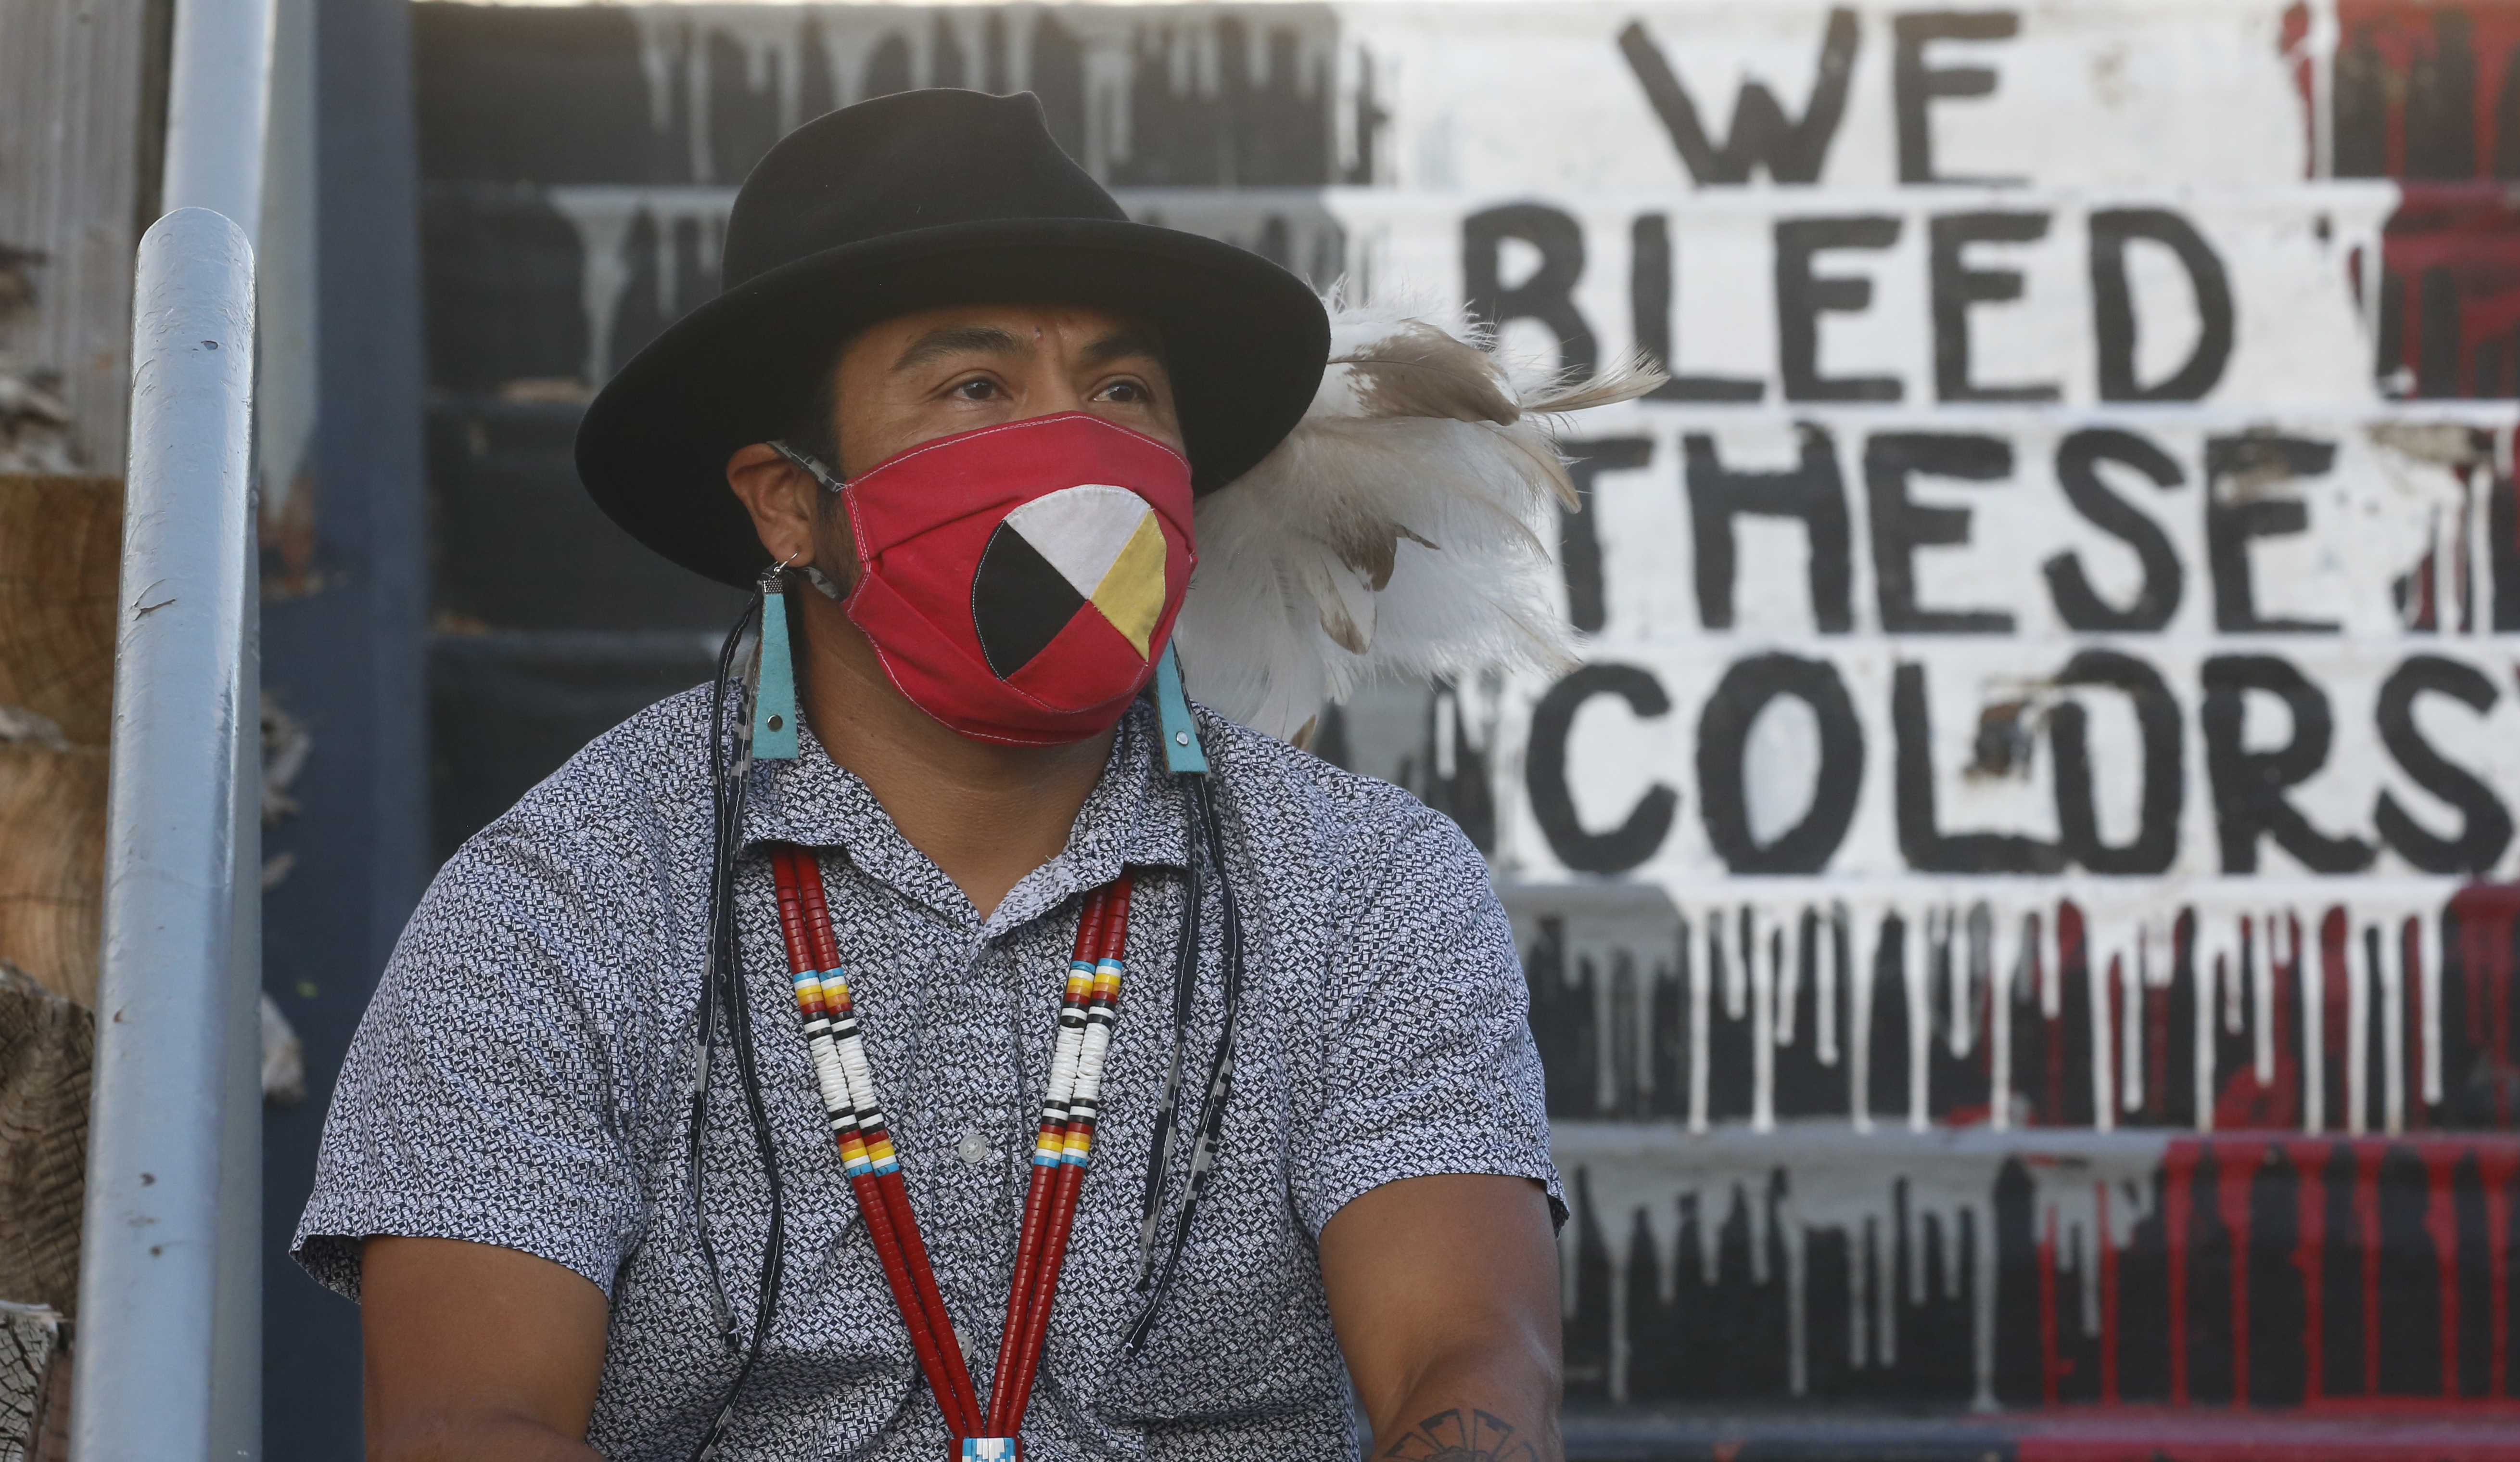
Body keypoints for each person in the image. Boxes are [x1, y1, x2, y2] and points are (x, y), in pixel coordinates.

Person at [297, 88, 1649, 1462]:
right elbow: (463, 1424)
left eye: (1124, 391)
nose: (1078, 451)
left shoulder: (1368, 886)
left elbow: (1473, 1360)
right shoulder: (558, 905)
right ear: (788, 500)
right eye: (976, 388)